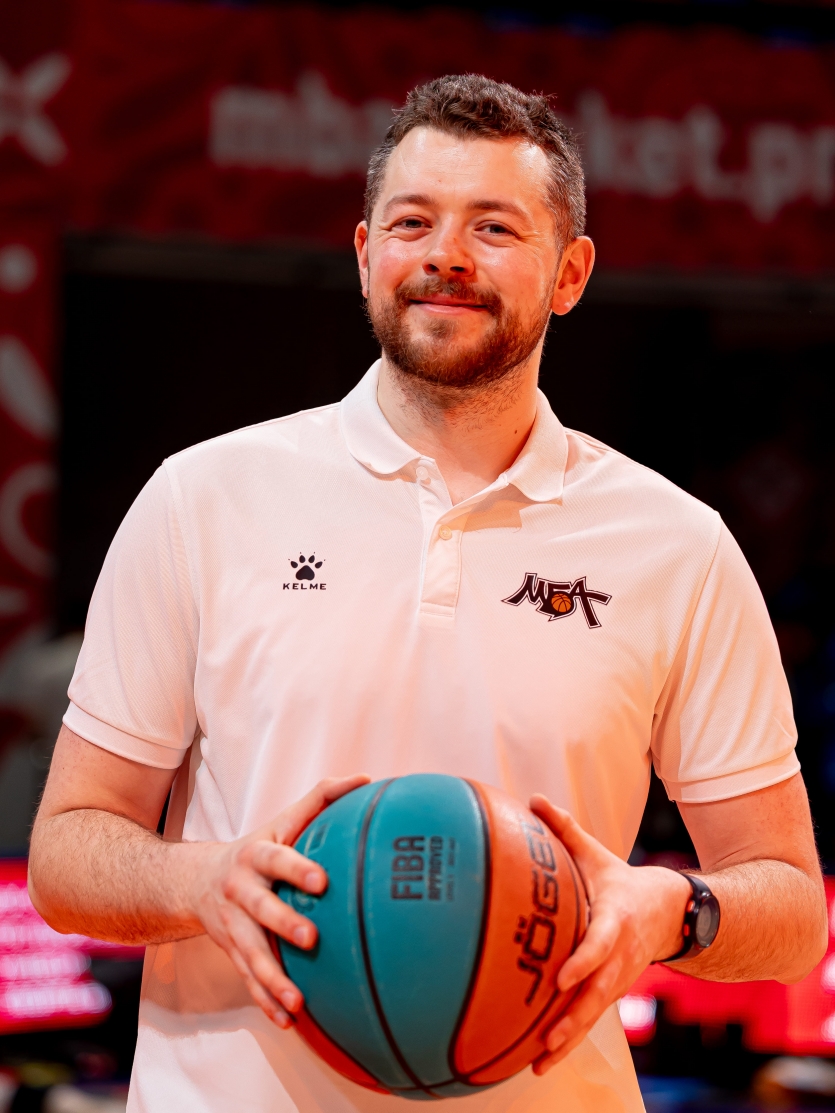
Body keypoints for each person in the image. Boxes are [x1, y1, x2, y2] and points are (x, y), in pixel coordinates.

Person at [28, 75, 826, 1113]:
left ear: (570, 273)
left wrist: (669, 909)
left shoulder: (677, 545)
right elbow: (68, 851)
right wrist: (201, 881)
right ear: (366, 254)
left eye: (493, 227)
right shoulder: (203, 498)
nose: (446, 254)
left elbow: (790, 908)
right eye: (413, 222)